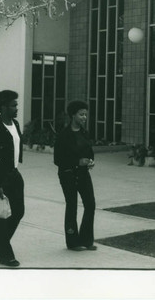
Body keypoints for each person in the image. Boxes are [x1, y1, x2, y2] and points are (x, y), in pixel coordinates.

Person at [0, 90, 25, 267]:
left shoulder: (15, 124)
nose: (17, 108)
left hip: (15, 174)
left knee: (18, 212)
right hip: (1, 178)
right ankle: (5, 255)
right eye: (13, 105)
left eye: (16, 105)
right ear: (3, 107)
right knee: (1, 217)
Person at [54, 100, 97, 251]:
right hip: (68, 175)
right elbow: (57, 160)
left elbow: (89, 152)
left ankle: (86, 240)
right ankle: (73, 242)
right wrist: (78, 162)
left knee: (90, 204)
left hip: (83, 174)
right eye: (81, 114)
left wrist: (90, 161)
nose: (84, 117)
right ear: (73, 115)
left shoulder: (84, 133)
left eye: (85, 114)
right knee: (72, 206)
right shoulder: (63, 135)